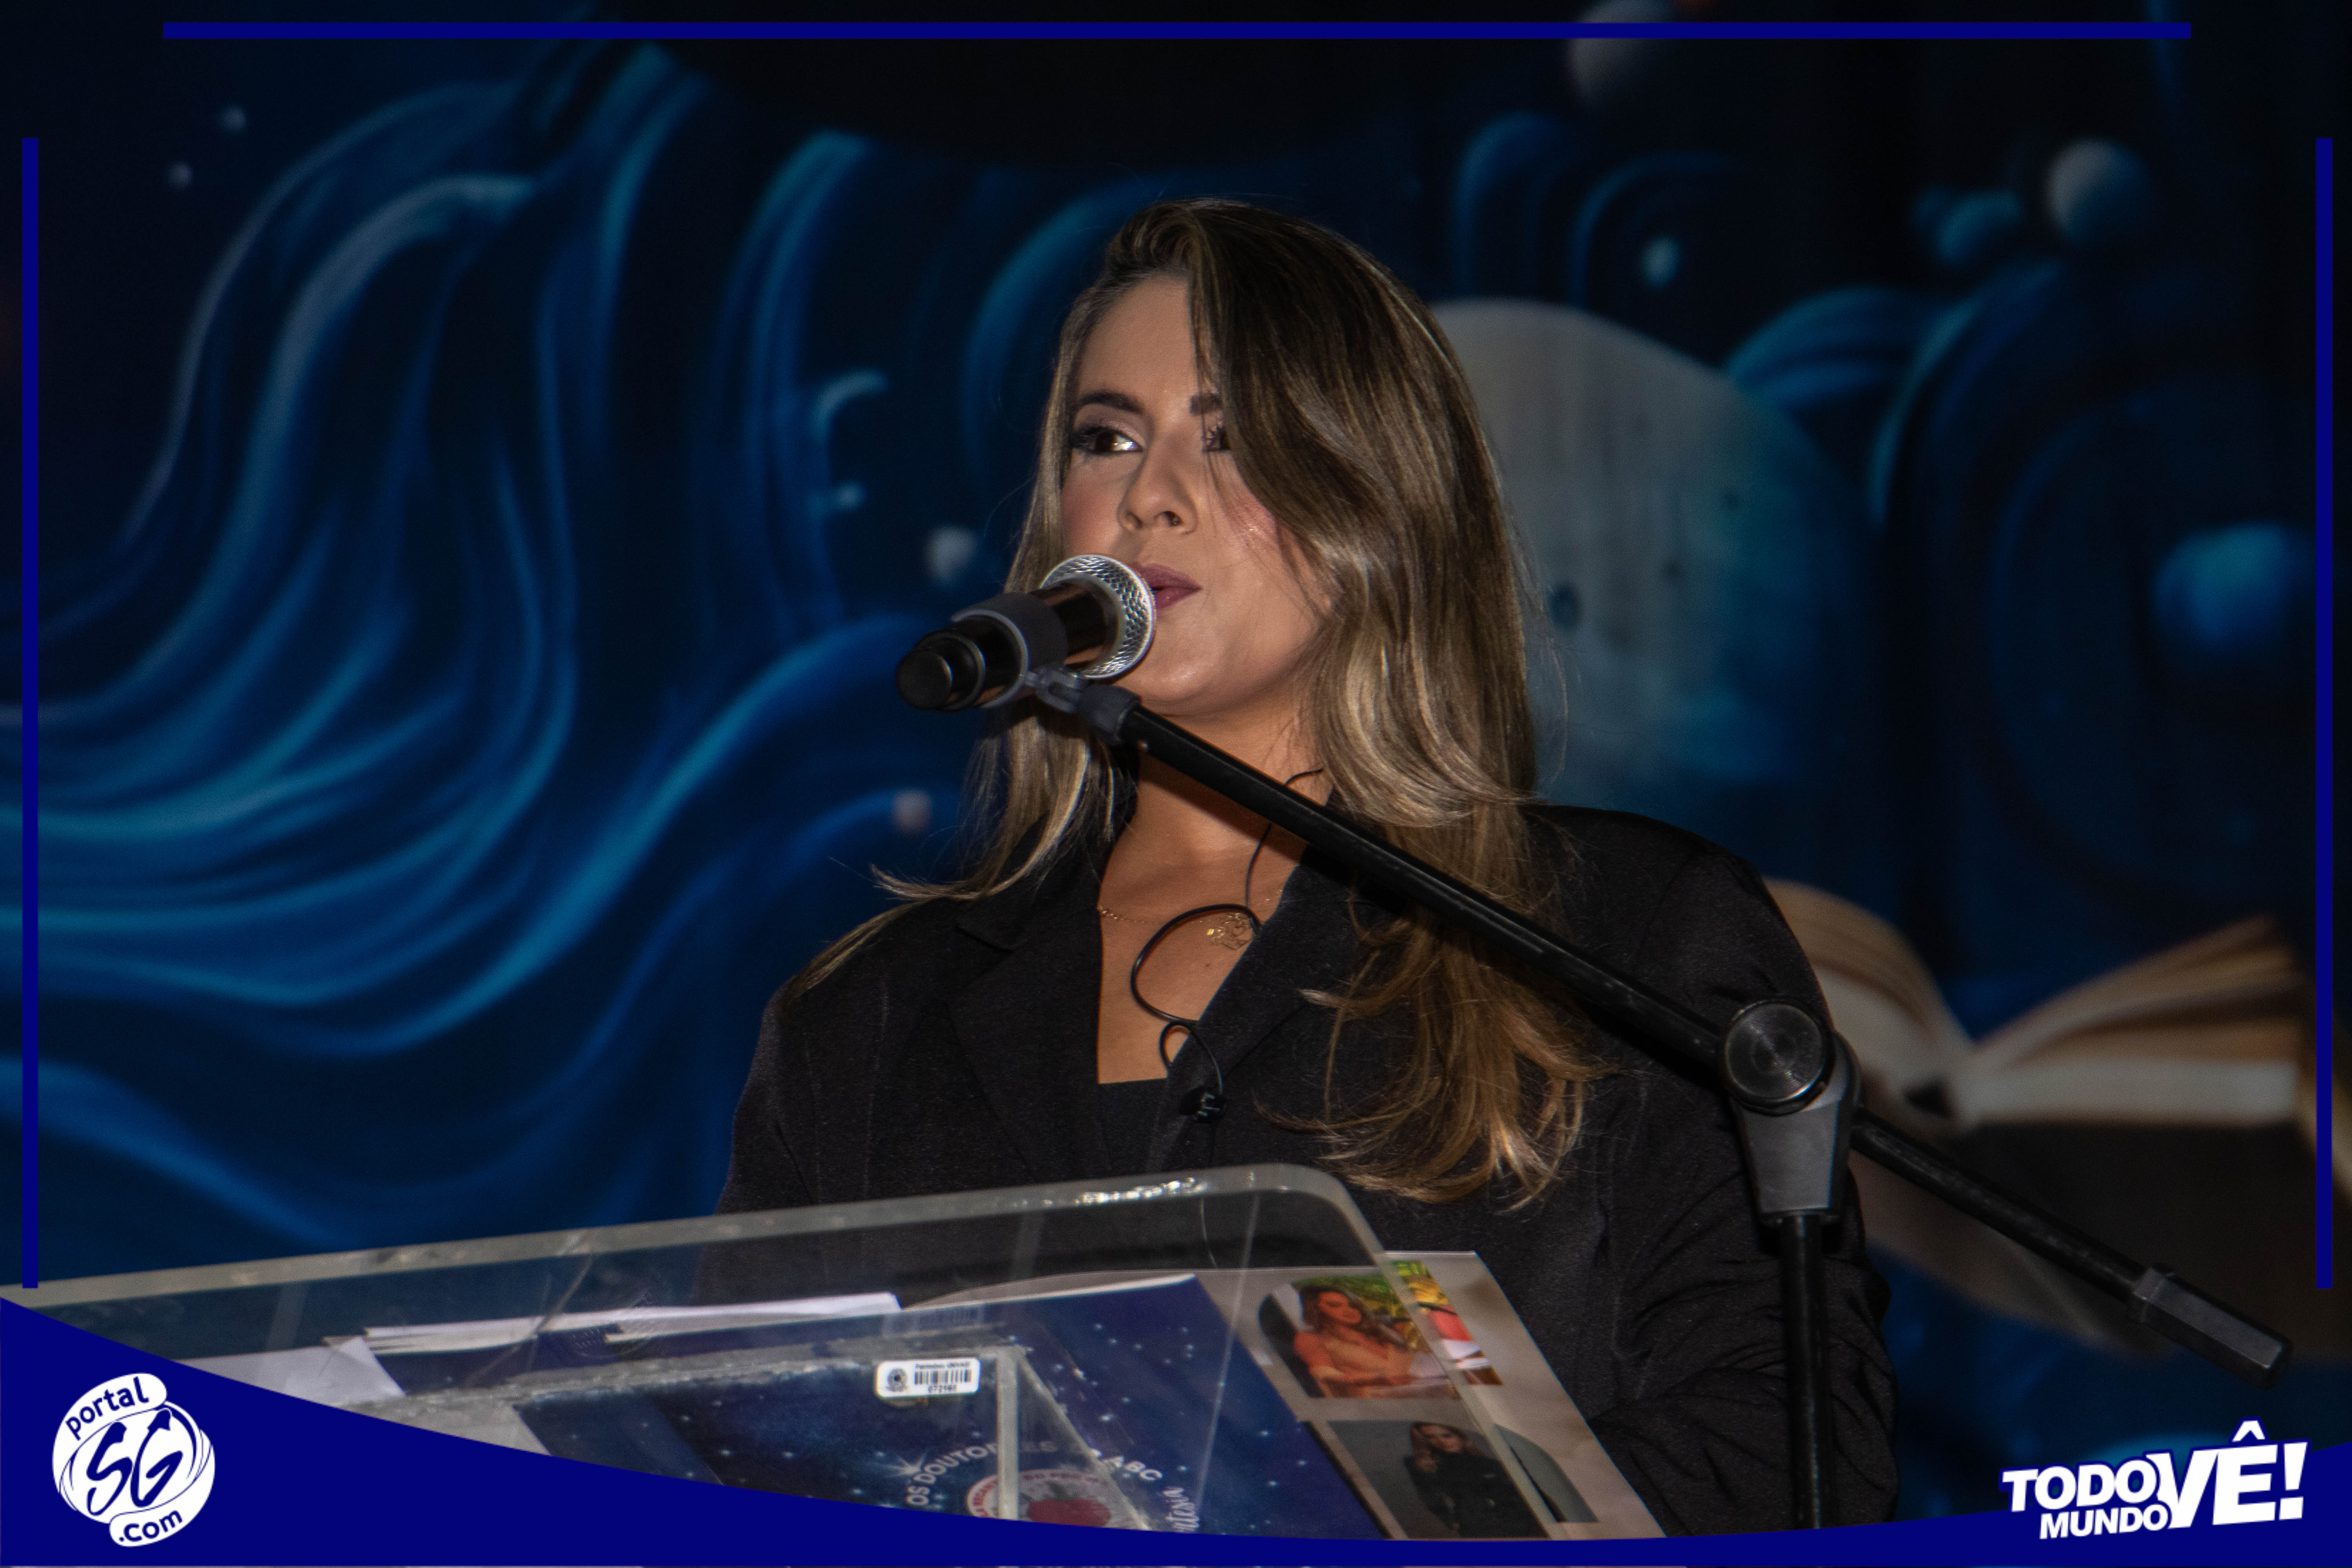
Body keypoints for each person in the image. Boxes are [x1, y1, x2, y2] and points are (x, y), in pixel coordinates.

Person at [717, 198, 1897, 1533]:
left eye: (1229, 438)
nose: (1149, 495)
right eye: (1108, 439)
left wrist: (1371, 1520)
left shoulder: (1622, 939)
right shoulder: (869, 1021)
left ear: (1382, 500)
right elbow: (733, 1465)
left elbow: (1793, 1444)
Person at [1291, 1283, 1434, 1397]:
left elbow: (1418, 1360)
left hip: (1424, 1393)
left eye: (1351, 1305)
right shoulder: (1310, 1338)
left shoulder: (1380, 1331)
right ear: (1315, 1310)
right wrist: (1374, 1380)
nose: (1349, 1310)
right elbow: (1325, 1375)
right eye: (1335, 1305)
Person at [1404, 1423, 1546, 1537]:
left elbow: (1526, 1492)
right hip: (1479, 1527)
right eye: (1430, 1437)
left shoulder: (1489, 1462)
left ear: (1460, 1436)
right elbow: (1429, 1496)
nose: (1441, 1442)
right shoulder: (1428, 1466)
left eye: (1447, 1435)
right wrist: (1450, 1521)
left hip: (1522, 1522)